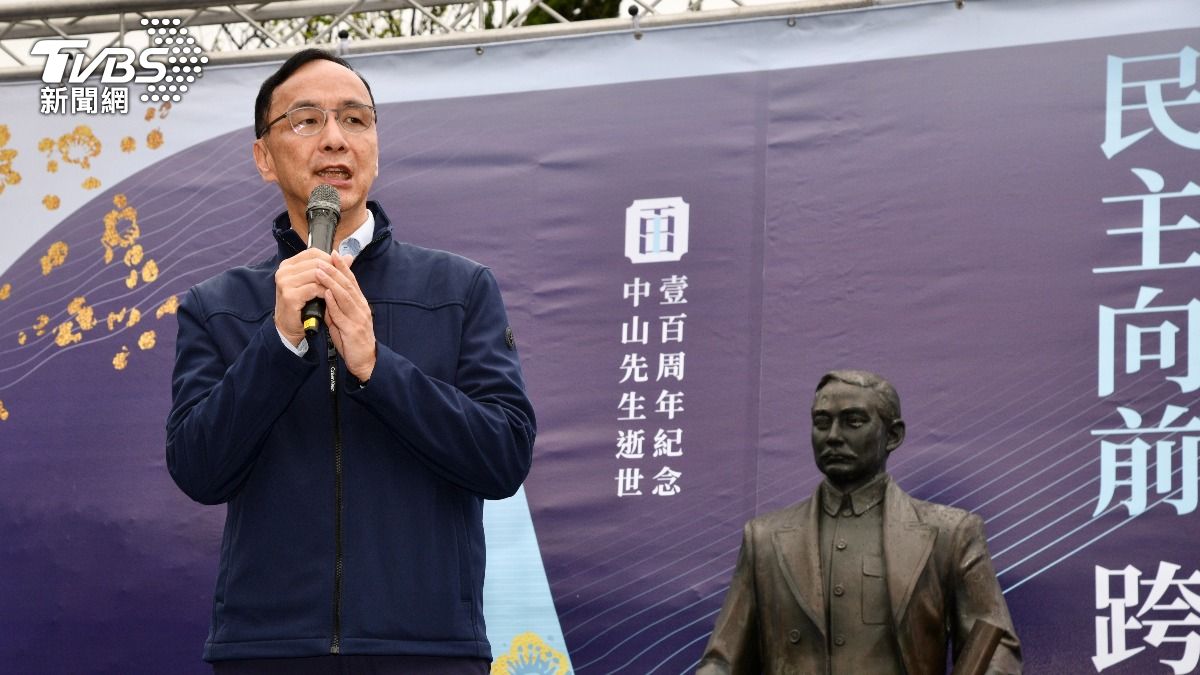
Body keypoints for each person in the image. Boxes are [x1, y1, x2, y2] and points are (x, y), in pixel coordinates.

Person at [165, 48, 535, 674]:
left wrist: (377, 367)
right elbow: (199, 470)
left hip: (426, 653)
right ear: (264, 156)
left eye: (355, 120)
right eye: (307, 120)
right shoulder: (216, 306)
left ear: (375, 149)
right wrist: (278, 345)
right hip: (269, 652)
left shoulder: (460, 289)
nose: (335, 138)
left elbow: (503, 457)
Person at [697, 370, 1021, 675]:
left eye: (853, 421)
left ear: (892, 435)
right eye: (822, 422)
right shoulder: (765, 539)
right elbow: (723, 662)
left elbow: (997, 650)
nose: (833, 436)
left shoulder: (949, 533)